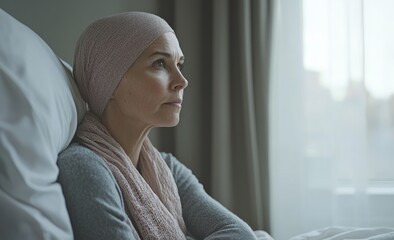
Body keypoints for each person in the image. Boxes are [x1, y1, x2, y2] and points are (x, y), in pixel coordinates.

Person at [57, 12, 272, 240]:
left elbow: (239, 233)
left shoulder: (168, 169)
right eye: (160, 63)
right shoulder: (83, 167)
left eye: (179, 64)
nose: (182, 81)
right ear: (108, 80)